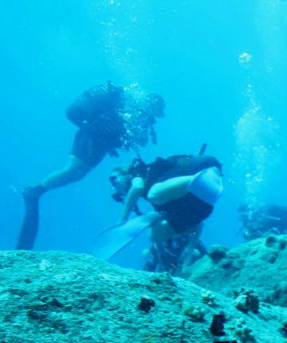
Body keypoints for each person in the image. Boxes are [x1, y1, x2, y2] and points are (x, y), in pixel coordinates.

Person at [19, 82, 165, 250]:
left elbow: (133, 140)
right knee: (73, 170)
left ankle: (37, 191)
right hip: (91, 136)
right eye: (157, 111)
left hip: (100, 142)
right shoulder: (129, 106)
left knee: (77, 173)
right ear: (151, 103)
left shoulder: (136, 113)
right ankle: (35, 191)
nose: (156, 116)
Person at [94, 153, 223, 273]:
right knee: (155, 234)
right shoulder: (167, 201)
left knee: (153, 195)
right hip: (204, 204)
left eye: (113, 179)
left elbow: (137, 188)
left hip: (205, 172)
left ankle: (202, 177)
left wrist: (122, 220)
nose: (114, 187)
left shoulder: (137, 173)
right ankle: (203, 180)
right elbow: (198, 225)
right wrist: (188, 256)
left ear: (125, 174)